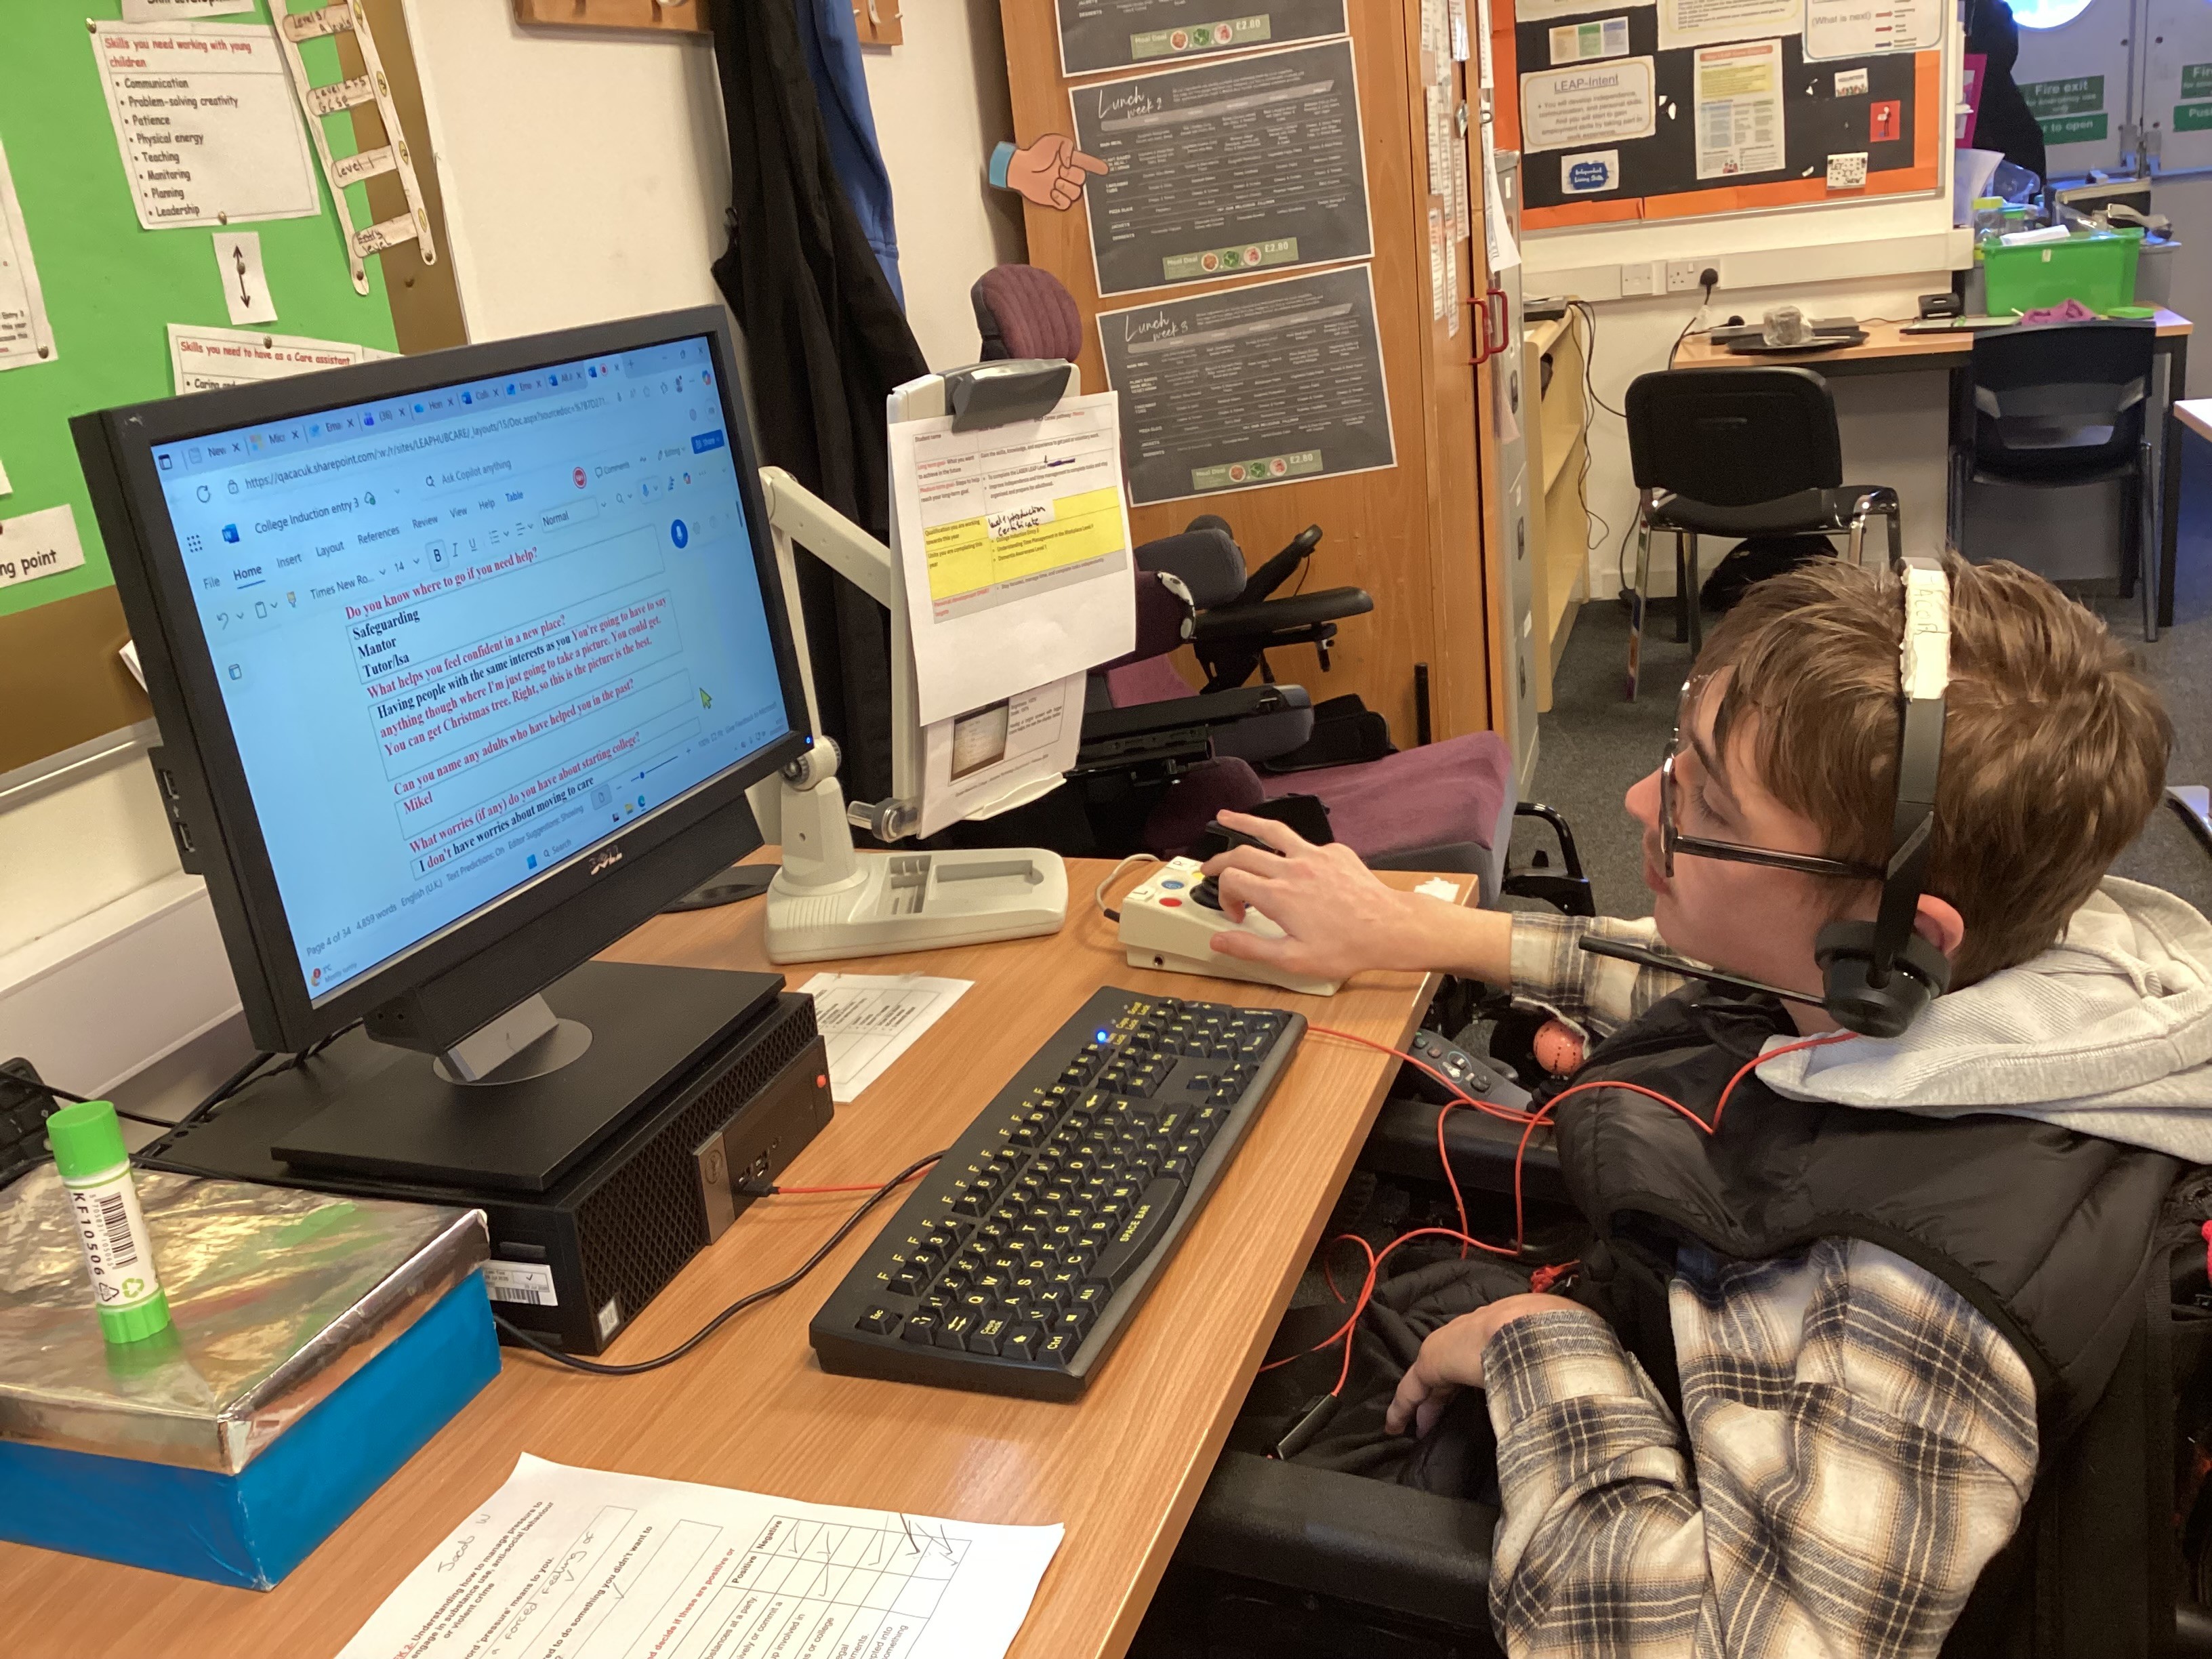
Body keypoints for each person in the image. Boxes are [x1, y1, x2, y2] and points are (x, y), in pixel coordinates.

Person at [1199, 554, 2210, 1656]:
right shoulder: (2019, 973)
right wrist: (1414, 932)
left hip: (1616, 1485)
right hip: (1667, 1367)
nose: (1641, 801)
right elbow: (1712, 975)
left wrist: (1537, 1345)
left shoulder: (1915, 1308)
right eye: (1677, 760)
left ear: (1899, 942)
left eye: (1702, 804)